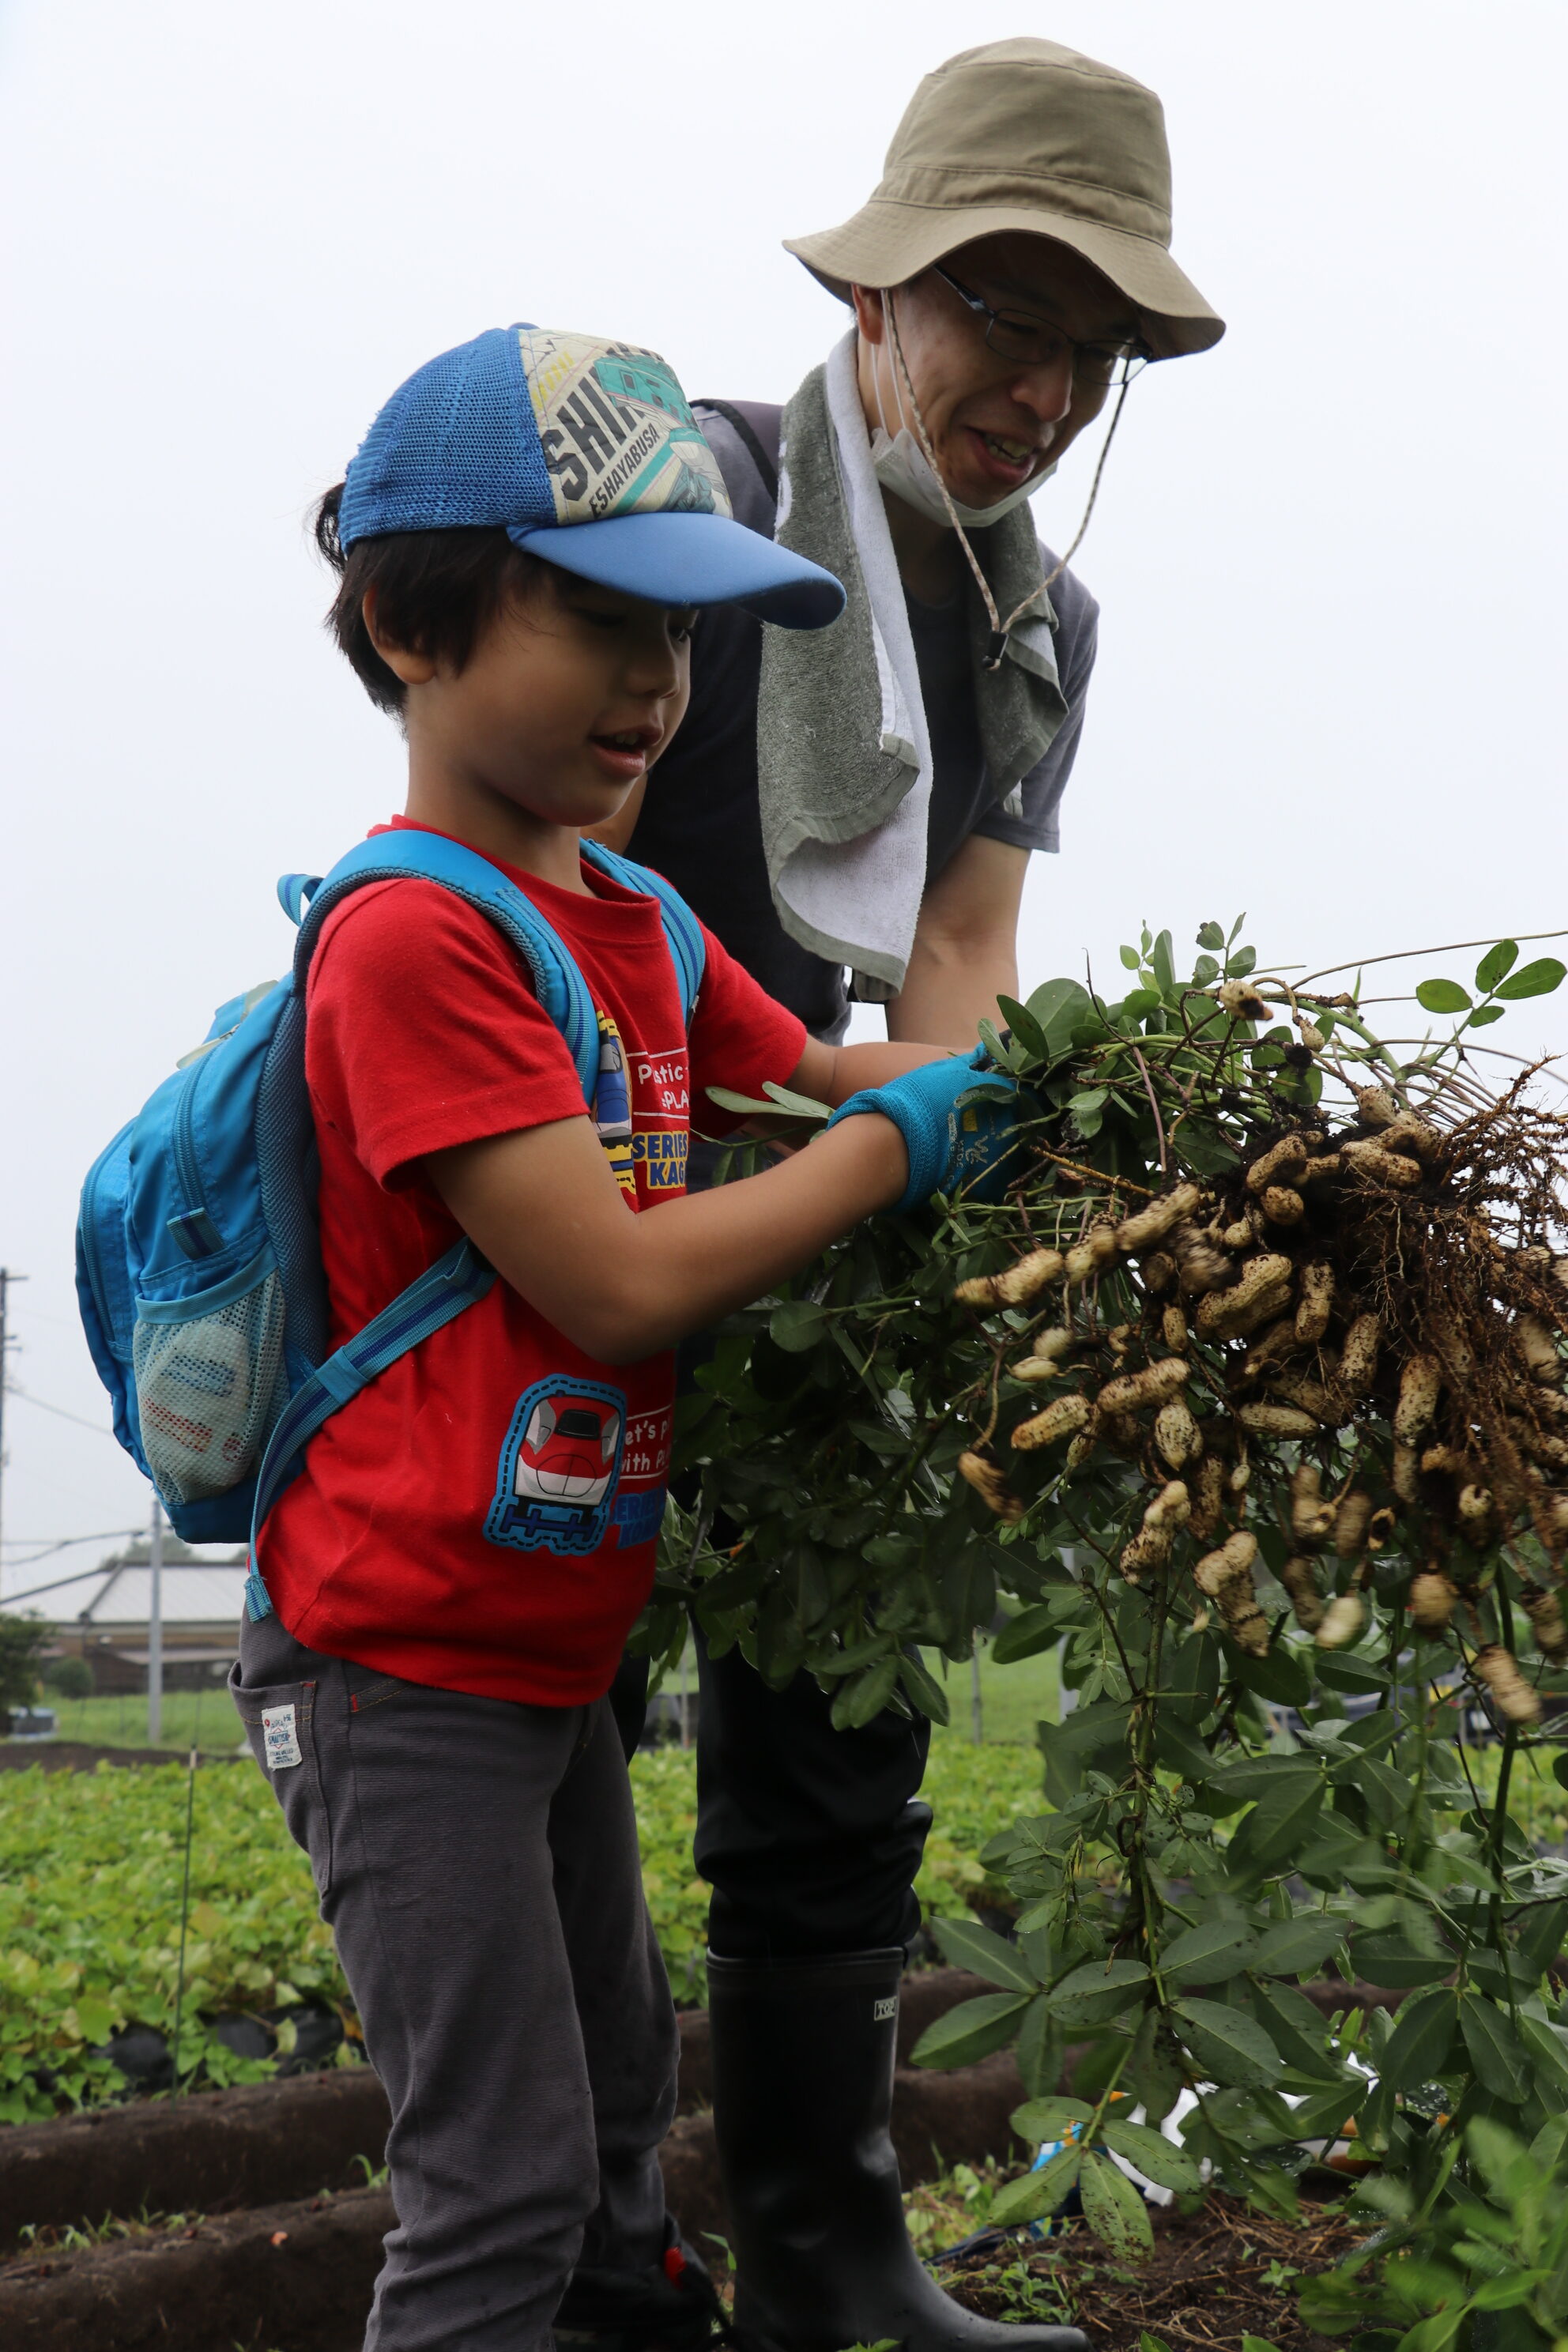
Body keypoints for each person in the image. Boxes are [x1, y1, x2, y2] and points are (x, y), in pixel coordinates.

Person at [228, 321, 1034, 2352]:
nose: (658, 686)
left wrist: (981, 1096)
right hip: (395, 1668)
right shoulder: (416, 934)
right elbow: (618, 1277)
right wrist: (892, 1151)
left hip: (540, 1653)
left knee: (598, 2149)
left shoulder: (632, 919)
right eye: (598, 618)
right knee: (490, 2195)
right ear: (411, 627)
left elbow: (812, 1091)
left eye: (683, 635)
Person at [584, 36, 1226, 2352]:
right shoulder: (710, 500)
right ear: (886, 296)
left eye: (1088, 352)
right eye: (1005, 319)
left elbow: (961, 956)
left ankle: (828, 2262)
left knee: (833, 1707)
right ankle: (560, 2251)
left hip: (824, 1194)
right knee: (535, 1718)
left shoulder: (1039, 632)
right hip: (594, 1176)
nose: (1043, 390)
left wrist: (938, 1206)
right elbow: (543, 852)